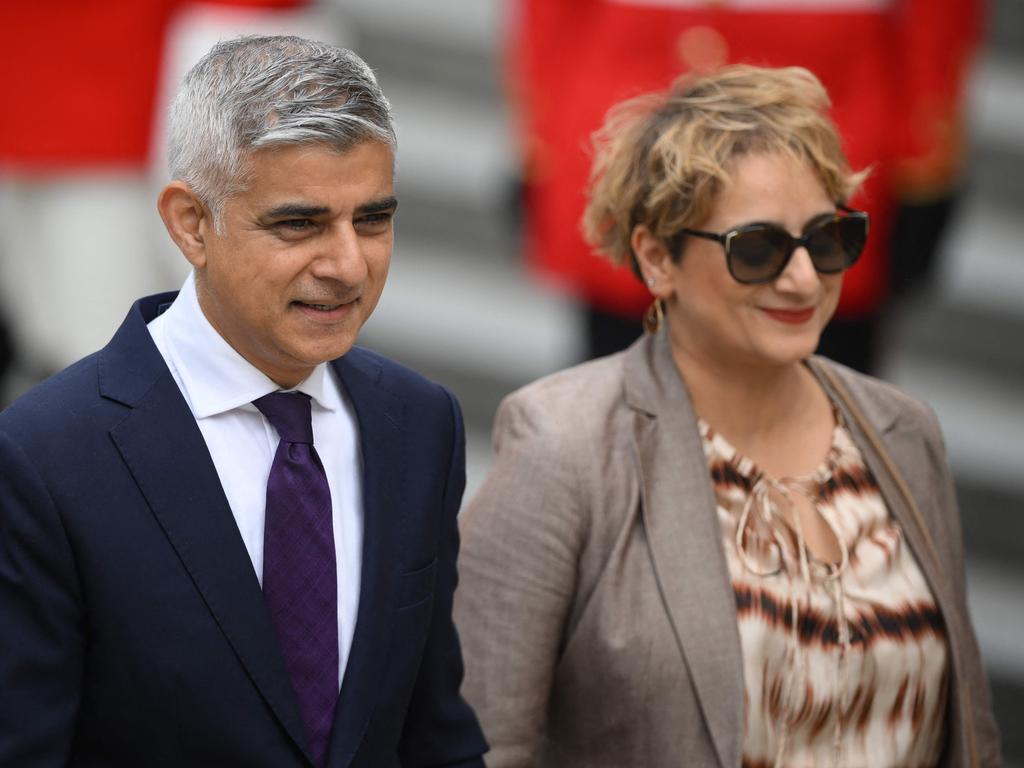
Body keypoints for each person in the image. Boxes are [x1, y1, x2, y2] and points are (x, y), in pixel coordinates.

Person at [454, 65, 1000, 767]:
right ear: (657, 258)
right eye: (759, 248)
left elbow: (970, 733)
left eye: (829, 238)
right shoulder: (565, 445)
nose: (803, 278)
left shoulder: (903, 432)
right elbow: (476, 741)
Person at [0, 36, 487, 768]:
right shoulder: (45, 456)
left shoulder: (419, 424)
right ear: (191, 224)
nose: (347, 264)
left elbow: (431, 731)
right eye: (300, 224)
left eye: (373, 221)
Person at [504, 0, 982, 372]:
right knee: (621, 446)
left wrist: (922, 158)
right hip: (634, 138)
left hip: (823, 140)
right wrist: (543, 141)